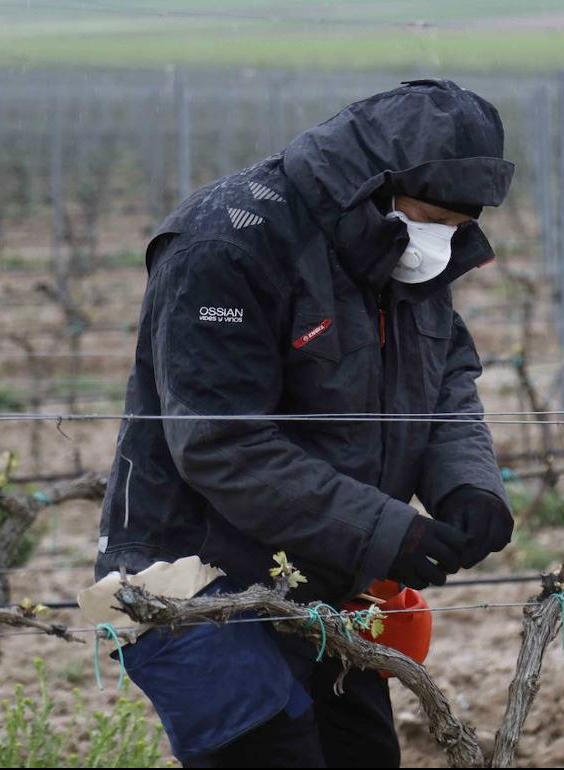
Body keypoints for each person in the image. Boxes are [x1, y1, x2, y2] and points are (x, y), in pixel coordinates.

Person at [91, 79, 515, 767]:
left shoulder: (397, 253)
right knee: (275, 754)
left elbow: (444, 379)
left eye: (461, 229)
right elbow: (223, 444)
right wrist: (389, 531)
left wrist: (469, 486)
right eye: (435, 217)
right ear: (373, 188)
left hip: (325, 581)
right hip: (195, 581)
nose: (445, 241)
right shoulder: (224, 246)